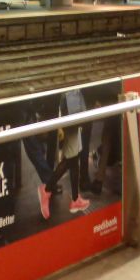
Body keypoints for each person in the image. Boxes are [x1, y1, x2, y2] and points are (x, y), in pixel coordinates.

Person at [38, 89, 90, 218]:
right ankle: (47, 189)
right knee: (70, 159)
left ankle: (75, 199)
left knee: (73, 157)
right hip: (72, 105)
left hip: (73, 101)